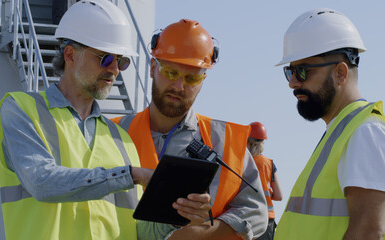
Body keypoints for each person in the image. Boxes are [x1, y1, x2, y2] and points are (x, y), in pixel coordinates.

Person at [0, 1, 210, 239]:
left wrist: (177, 215)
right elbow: (42, 182)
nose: (115, 69)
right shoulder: (21, 109)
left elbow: (138, 231)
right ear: (70, 54)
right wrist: (132, 175)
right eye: (106, 58)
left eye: (121, 61)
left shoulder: (121, 138)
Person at [111, 19, 268, 240]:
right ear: (153, 68)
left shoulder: (225, 141)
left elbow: (256, 212)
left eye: (191, 78)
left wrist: (197, 235)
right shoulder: (112, 133)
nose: (178, 86)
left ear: (203, 81)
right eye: (170, 72)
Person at [274, 8, 385, 240]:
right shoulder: (343, 132)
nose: (293, 83)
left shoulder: (367, 132)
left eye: (302, 71)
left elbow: (368, 232)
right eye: (290, 71)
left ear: (340, 73)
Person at [247, 122, 282, 240]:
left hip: (247, 217)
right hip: (267, 219)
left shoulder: (241, 162)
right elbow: (279, 196)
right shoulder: (269, 163)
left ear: (249, 142)